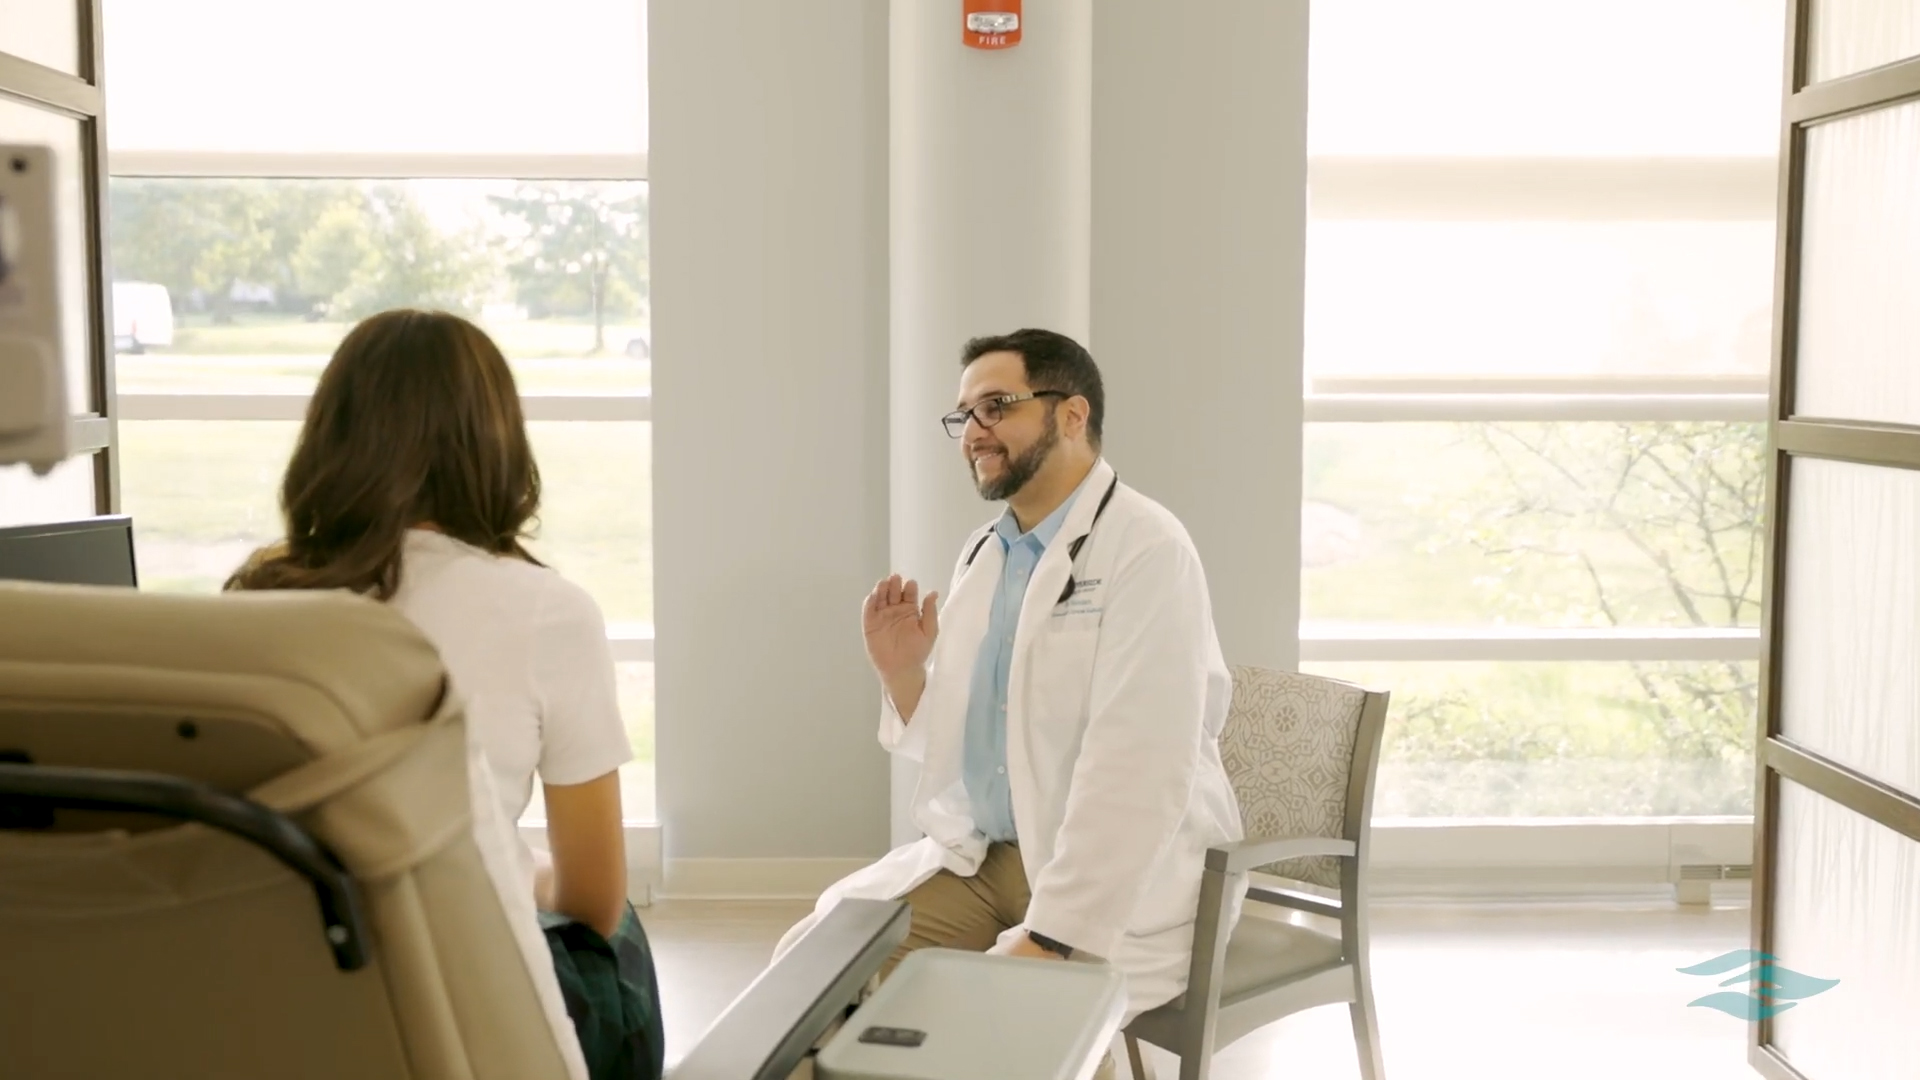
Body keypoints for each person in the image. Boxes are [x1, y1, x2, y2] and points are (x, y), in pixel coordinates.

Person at [775, 329, 1247, 1072]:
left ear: (1071, 414)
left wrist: (1056, 934)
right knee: (814, 983)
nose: (974, 432)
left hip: (1109, 878)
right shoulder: (987, 551)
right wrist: (903, 675)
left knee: (980, 1033)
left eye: (996, 406)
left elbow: (1140, 770)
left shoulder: (1148, 550)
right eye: (964, 415)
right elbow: (986, 743)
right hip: (990, 859)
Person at [225, 309, 663, 1080]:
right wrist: (511, 866)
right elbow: (593, 897)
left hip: (281, 998)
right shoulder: (547, 612)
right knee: (619, 931)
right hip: (463, 1013)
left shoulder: (253, 599)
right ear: (495, 444)